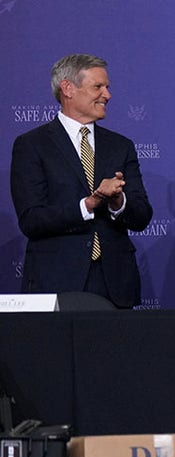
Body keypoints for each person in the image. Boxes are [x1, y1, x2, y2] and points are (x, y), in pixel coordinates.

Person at [10, 54, 154, 308]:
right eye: (98, 87)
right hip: (57, 281)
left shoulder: (121, 146)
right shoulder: (32, 145)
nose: (107, 95)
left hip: (114, 283)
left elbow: (142, 216)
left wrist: (118, 202)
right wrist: (89, 203)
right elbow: (32, 220)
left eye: (107, 87)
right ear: (68, 89)